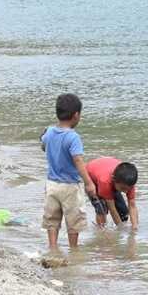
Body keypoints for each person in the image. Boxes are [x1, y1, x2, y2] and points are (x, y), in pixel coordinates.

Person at [40, 93, 97, 251]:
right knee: (74, 220)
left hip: (52, 183)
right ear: (76, 115)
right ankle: (73, 248)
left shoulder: (50, 132)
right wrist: (89, 183)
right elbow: (78, 160)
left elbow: (43, 144)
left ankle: (52, 246)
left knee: (52, 218)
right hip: (70, 185)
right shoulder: (73, 137)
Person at [86, 157, 139, 230]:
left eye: (128, 189)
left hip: (109, 170)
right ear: (114, 180)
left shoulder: (128, 182)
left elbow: (132, 205)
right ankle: (101, 231)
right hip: (91, 177)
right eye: (123, 189)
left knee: (124, 213)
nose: (126, 192)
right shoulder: (105, 182)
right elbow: (112, 209)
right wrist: (121, 229)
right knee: (102, 209)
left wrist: (135, 227)